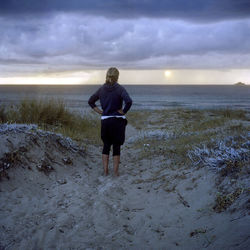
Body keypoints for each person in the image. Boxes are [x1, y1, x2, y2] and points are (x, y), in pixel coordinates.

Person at [88, 67, 132, 176]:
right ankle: (116, 173)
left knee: (106, 145)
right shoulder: (120, 88)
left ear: (107, 76)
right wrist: (123, 111)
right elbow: (129, 101)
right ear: (117, 76)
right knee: (116, 146)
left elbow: (91, 101)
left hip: (106, 121)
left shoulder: (101, 89)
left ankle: (105, 171)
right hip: (117, 122)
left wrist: (100, 112)